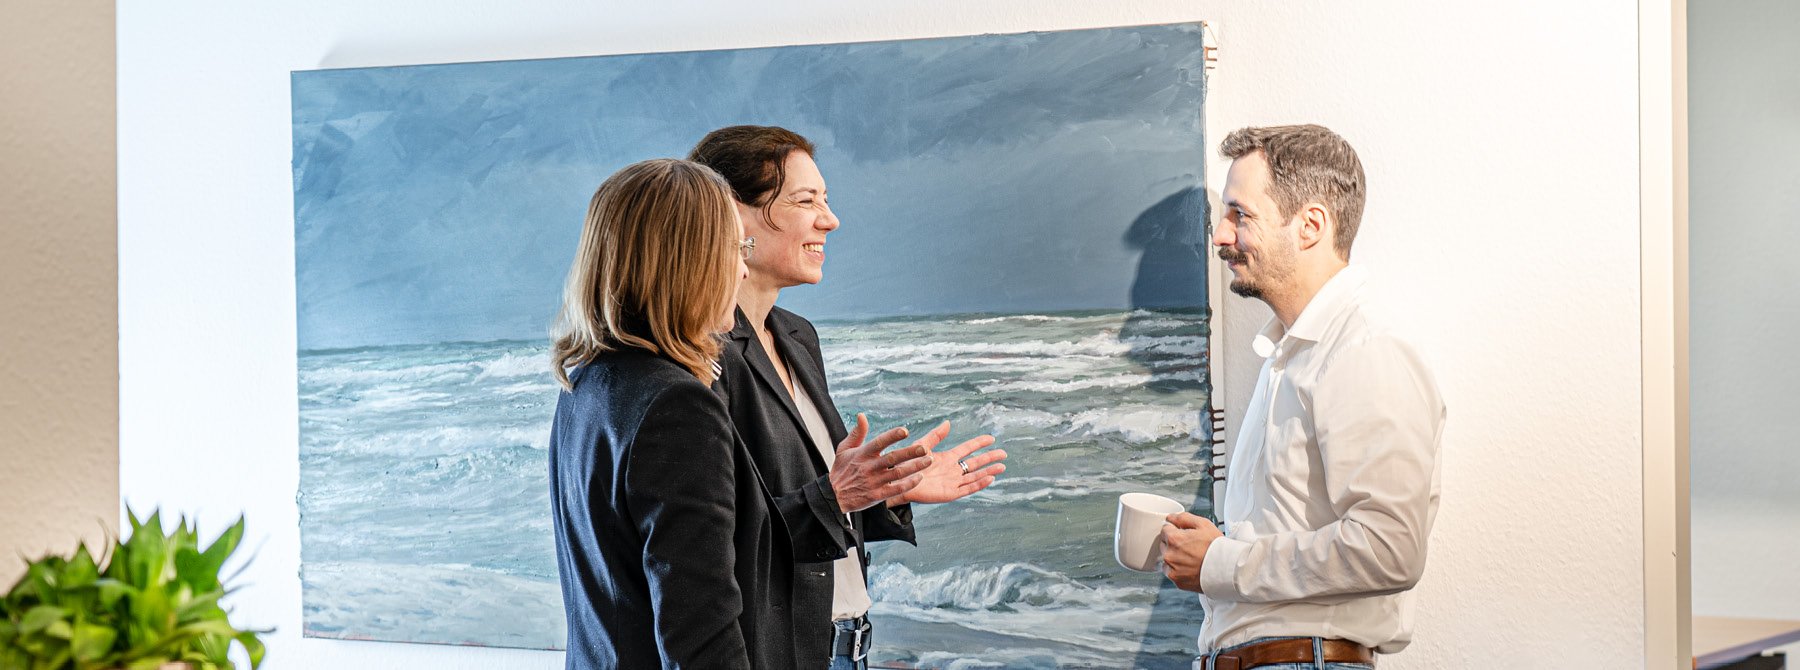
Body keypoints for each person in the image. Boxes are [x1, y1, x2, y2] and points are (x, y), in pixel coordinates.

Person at [689, 126, 1010, 669]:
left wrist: (886, 490)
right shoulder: (697, 355)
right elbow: (709, 548)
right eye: (806, 201)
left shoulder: (797, 336)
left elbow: (817, 496)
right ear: (733, 216)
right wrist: (837, 495)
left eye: (826, 200)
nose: (830, 220)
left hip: (845, 645)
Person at [1159, 125, 1447, 670]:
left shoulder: (1364, 349)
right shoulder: (1294, 356)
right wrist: (1220, 549)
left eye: (1240, 214)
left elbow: (1389, 547)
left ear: (1310, 225)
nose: (1220, 236)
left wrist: (1220, 562)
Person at [546, 158, 791, 668]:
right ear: (689, 262)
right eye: (735, 249)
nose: (744, 269)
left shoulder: (586, 382)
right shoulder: (677, 406)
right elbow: (701, 638)